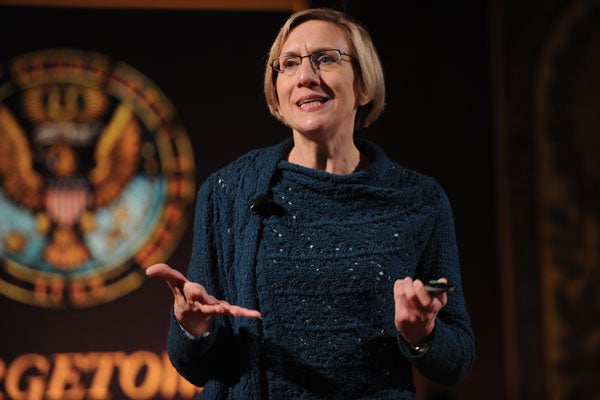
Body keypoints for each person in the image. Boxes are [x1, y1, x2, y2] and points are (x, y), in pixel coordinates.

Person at [147, 7, 475, 399]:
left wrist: (423, 334)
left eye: (326, 59)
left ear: (365, 85)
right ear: (277, 90)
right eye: (288, 64)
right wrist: (192, 326)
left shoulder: (419, 199)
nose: (305, 76)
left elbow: (457, 361)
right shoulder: (227, 191)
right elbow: (194, 367)